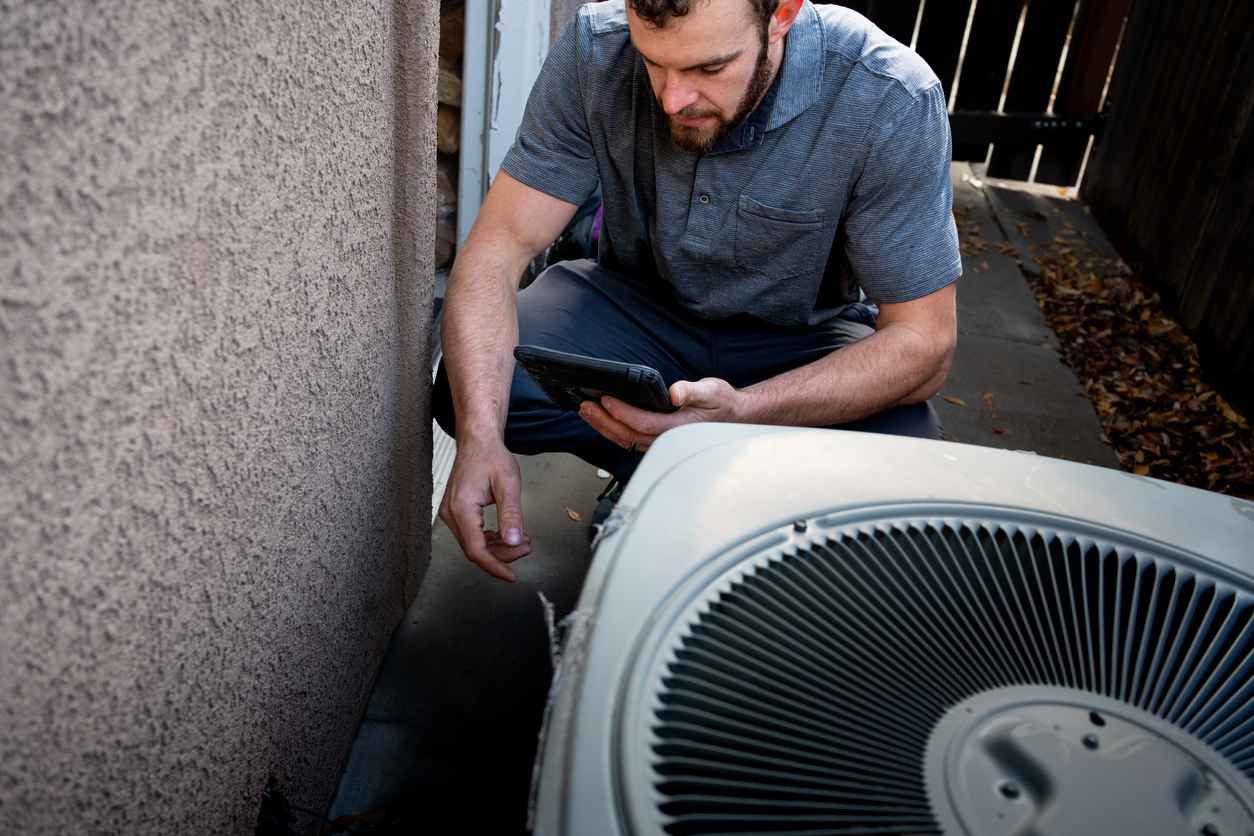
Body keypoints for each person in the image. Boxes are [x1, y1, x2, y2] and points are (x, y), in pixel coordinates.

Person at [434, 0, 961, 581]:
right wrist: (479, 440)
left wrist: (744, 413)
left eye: (709, 69)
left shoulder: (889, 94)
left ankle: (716, 498)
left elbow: (925, 342)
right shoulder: (595, 48)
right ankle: (664, 472)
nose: (672, 99)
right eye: (653, 62)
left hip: (799, 343)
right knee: (476, 388)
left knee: (902, 465)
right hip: (637, 319)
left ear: (781, 14)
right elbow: (496, 250)